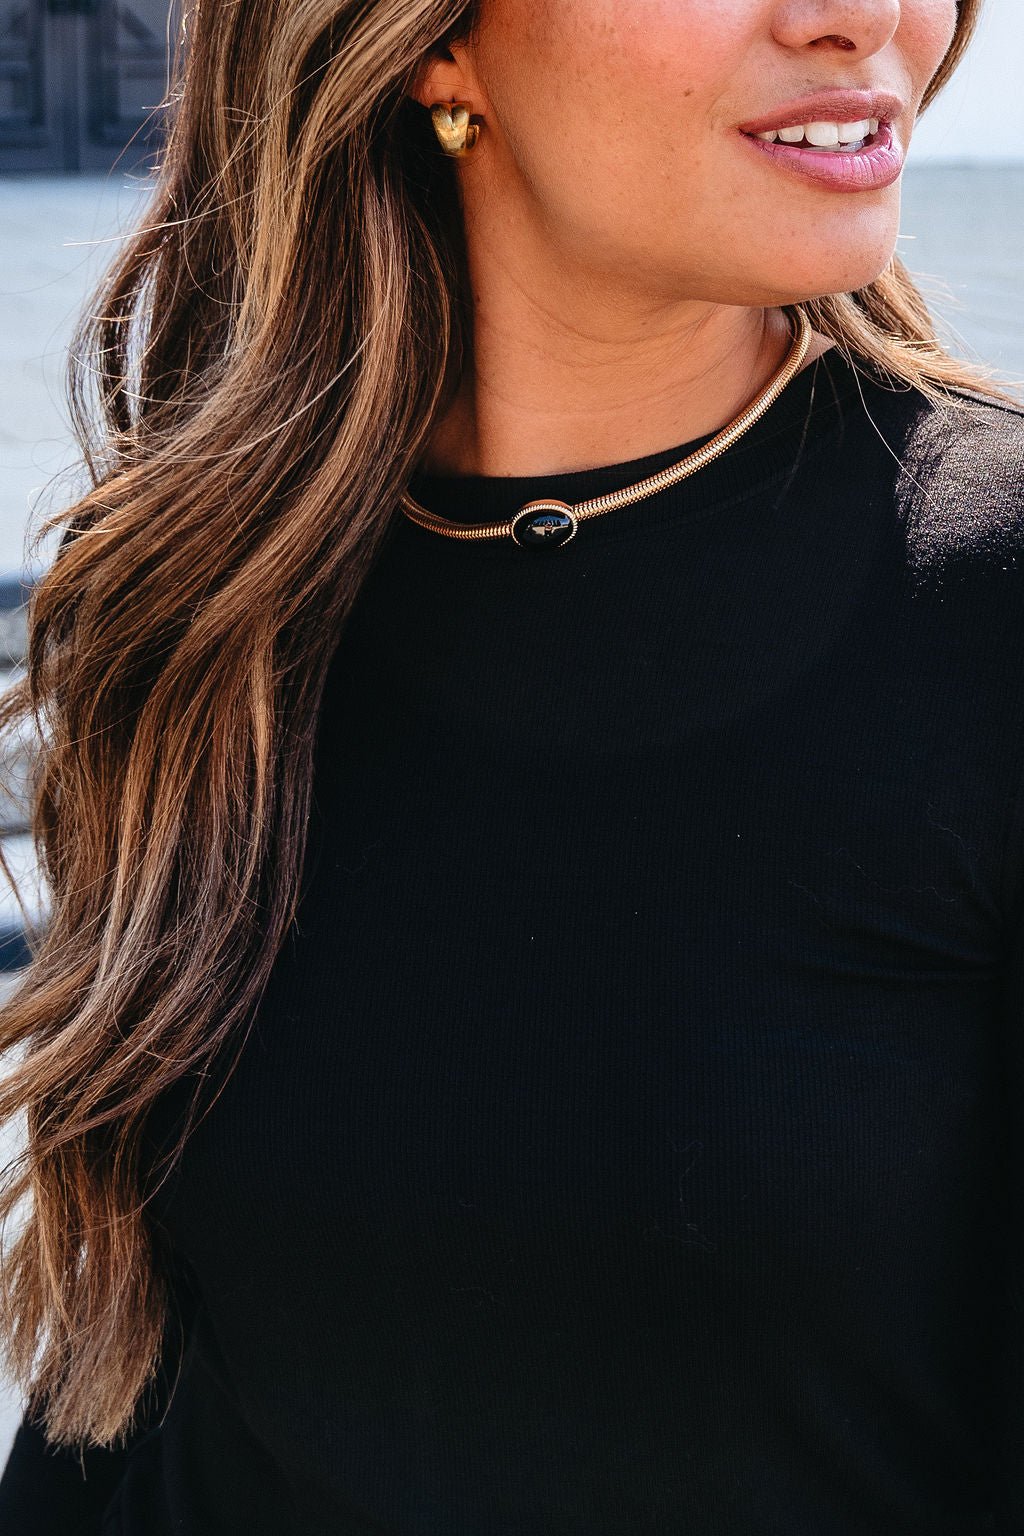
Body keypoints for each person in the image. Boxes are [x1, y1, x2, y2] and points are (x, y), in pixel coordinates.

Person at [0, 0, 1021, 1530]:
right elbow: (144, 1409)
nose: (866, 15)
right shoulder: (209, 604)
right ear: (436, 45)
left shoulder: (989, 608)